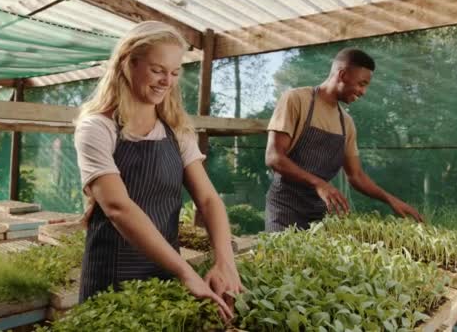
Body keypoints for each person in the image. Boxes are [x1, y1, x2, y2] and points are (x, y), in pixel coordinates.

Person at [74, 21, 241, 320]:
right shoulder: (98, 128)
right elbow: (118, 207)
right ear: (128, 64)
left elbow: (209, 201)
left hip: (164, 274)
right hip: (111, 275)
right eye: (157, 70)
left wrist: (225, 262)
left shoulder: (177, 132)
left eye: (175, 73)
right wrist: (185, 270)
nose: (167, 80)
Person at [265, 48, 423, 232]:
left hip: (320, 211)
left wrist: (390, 200)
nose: (363, 91)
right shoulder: (296, 99)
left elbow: (356, 176)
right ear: (342, 74)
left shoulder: (346, 123)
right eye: (361, 83)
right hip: (285, 208)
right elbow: (274, 157)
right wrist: (319, 183)